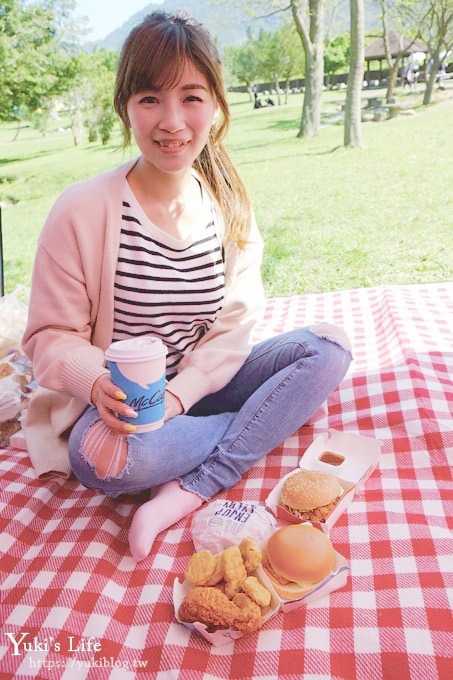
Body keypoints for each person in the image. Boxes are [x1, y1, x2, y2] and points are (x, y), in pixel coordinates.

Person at [22, 11, 352, 562]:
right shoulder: (82, 210)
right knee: (102, 462)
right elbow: (50, 336)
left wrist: (182, 397)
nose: (172, 120)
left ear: (217, 106)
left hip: (201, 384)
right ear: (125, 105)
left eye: (192, 97)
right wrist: (97, 381)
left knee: (328, 348)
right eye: (150, 98)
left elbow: (233, 331)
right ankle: (254, 427)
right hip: (122, 410)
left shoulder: (229, 204)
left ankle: (190, 488)